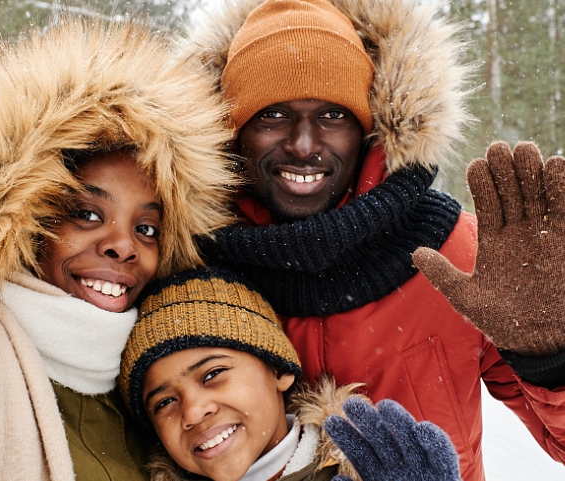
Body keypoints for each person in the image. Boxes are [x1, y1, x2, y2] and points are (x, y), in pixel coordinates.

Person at [184, 0, 565, 479]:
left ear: (368, 129)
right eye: (273, 115)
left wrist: (550, 354)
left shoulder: (456, 252)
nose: (303, 145)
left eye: (332, 116)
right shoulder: (192, 268)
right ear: (232, 131)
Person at [0, 17, 237, 480]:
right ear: (25, 220)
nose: (123, 246)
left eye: (148, 228)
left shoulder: (158, 393)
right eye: (88, 215)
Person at [117, 266, 462, 481]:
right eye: (164, 402)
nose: (192, 411)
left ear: (279, 370)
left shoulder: (367, 470)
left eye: (213, 374)